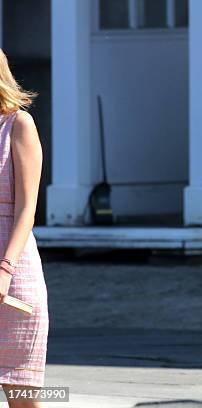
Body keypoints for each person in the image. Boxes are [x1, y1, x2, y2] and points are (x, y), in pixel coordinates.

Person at [0, 49, 49, 408]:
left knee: (21, 396)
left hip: (13, 272)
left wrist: (5, 269)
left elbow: (27, 208)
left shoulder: (18, 124)